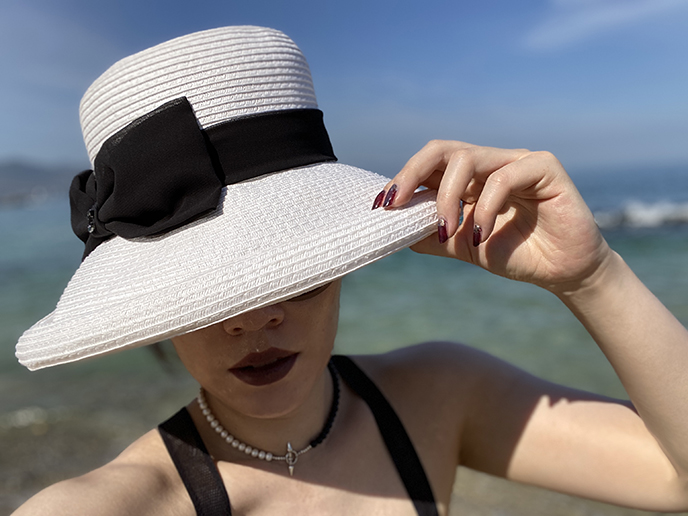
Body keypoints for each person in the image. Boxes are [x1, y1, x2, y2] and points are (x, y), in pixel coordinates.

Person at [12, 26, 688, 516]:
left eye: (287, 270)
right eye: (208, 293)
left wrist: (593, 278)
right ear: (157, 308)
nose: (254, 316)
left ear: (336, 261)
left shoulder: (438, 397)